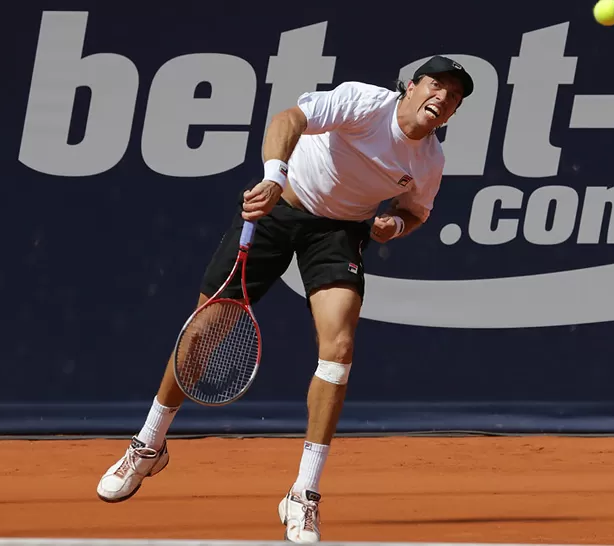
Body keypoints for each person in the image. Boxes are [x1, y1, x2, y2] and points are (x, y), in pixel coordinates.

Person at [95, 55, 474, 543]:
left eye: (454, 96)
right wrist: (274, 176)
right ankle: (148, 445)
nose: (443, 97)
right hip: (280, 207)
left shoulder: (430, 161)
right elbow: (289, 119)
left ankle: (303, 494)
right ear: (410, 87)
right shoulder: (364, 102)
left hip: (338, 233)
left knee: (338, 351)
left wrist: (394, 225)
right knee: (205, 330)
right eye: (436, 85)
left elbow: (415, 210)